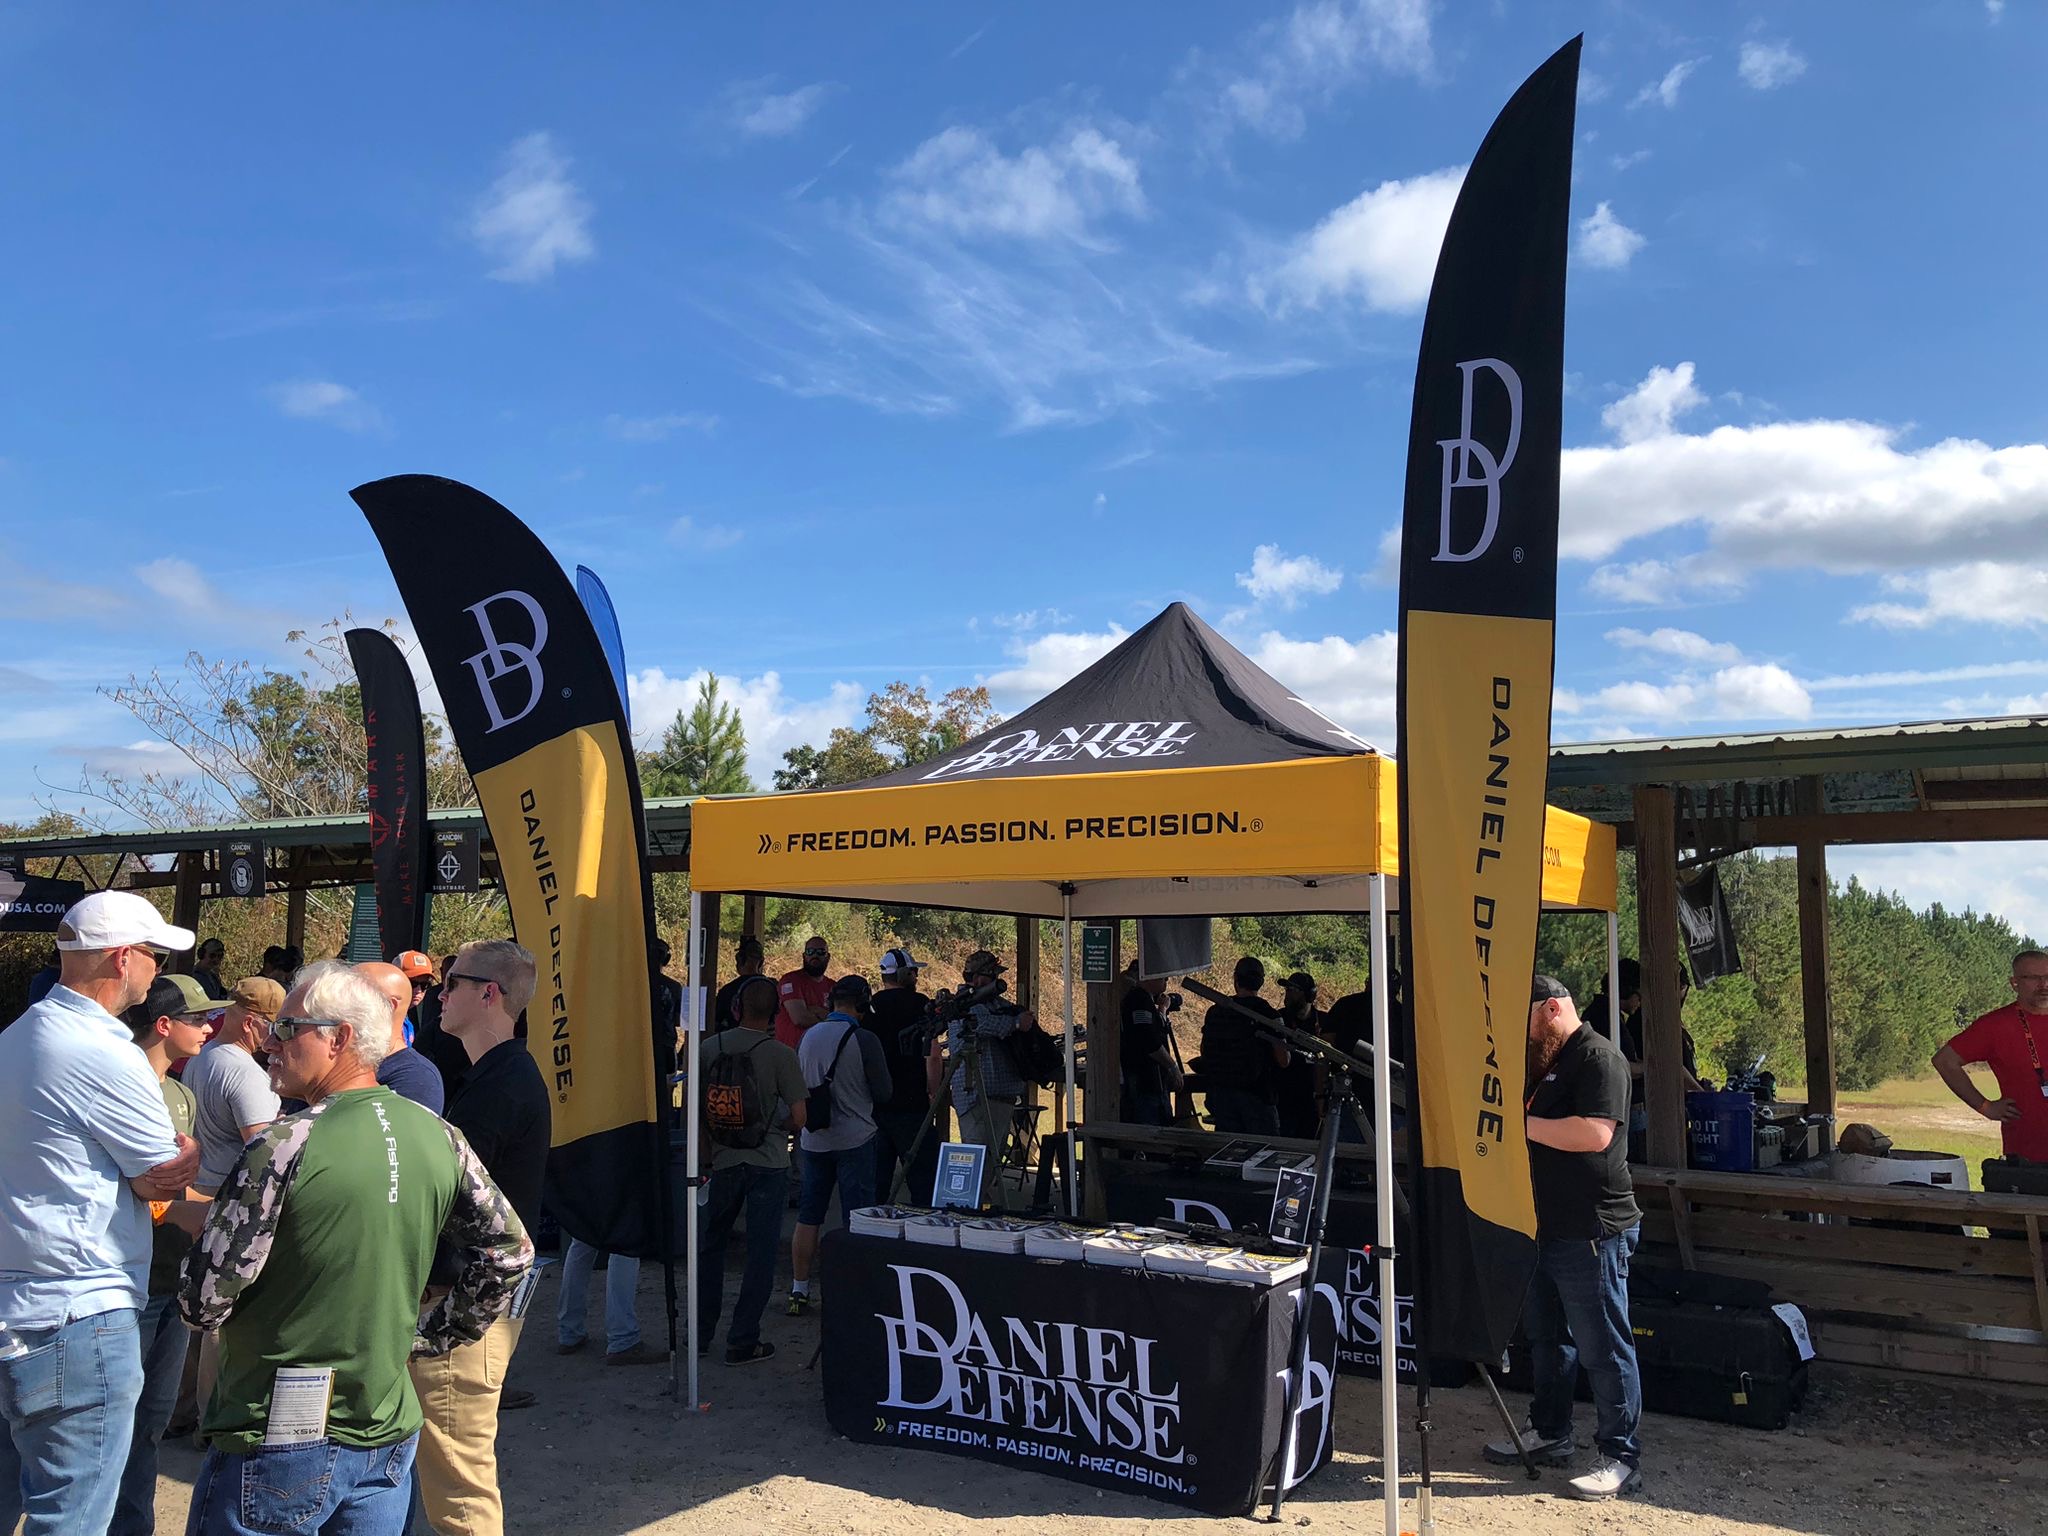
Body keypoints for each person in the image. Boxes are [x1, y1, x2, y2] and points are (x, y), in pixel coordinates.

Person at [178, 964, 531, 1536]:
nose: (270, 1043)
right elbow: (510, 1252)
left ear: (339, 1038)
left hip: (276, 1429)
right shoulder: (437, 1134)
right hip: (385, 1425)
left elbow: (203, 1300)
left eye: (288, 1028)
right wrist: (433, 1337)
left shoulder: (284, 1144)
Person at [0, 890, 201, 1536]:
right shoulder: (106, 1053)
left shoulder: (17, 1037)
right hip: (79, 1311)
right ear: (122, 959)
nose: (156, 969)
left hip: (20, 1301)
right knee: (75, 1517)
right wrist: (190, 1158)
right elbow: (157, 1177)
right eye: (153, 955)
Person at [409, 939, 552, 1536]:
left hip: (464, 1306)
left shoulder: (503, 1086)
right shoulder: (493, 1075)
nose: (439, 995)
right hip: (468, 1300)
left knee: (459, 1488)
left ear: (488, 993)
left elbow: (448, 1203)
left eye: (452, 983)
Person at [1486, 975, 1643, 1501]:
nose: (1525, 1035)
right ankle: (1551, 1432)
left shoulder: (1599, 1058)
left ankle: (1620, 1455)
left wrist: (1518, 1123)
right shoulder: (1549, 1060)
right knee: (1549, 1339)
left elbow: (1594, 1134)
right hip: (1546, 1227)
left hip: (1593, 1230)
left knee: (1604, 1345)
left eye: (1528, 1021)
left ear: (1552, 1009)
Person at [112, 973, 213, 1536]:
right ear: (165, 1024)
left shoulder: (182, 1095)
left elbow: (178, 1188)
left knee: (150, 1423)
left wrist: (228, 1209)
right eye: (198, 1019)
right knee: (110, 1426)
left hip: (172, 1281)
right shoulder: (113, 1081)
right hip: (122, 1285)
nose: (209, 1028)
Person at [699, 975, 808, 1363]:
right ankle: (742, 1339)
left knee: (711, 1248)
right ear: (776, 1013)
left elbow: (696, 1113)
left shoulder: (709, 1048)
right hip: (769, 1162)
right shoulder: (781, 1055)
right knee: (760, 1255)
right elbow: (800, 1116)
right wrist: (779, 1128)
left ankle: (701, 1332)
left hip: (723, 1160)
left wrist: (707, 1157)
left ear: (735, 1009)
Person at [788, 975, 892, 1316]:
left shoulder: (807, 1036)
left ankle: (799, 1288)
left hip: (814, 1139)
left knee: (809, 1216)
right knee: (857, 1218)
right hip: (855, 1138)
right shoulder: (864, 1039)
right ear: (861, 1005)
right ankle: (853, 1291)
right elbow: (884, 1092)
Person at [941, 949, 1039, 1203]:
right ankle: (966, 1207)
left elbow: (1006, 1015)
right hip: (976, 1095)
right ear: (978, 978)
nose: (996, 980)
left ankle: (979, 1205)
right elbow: (980, 1024)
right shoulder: (963, 1006)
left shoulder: (995, 1004)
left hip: (1000, 1095)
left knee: (992, 1160)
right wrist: (1014, 1023)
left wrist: (1018, 1018)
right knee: (975, 1160)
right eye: (992, 975)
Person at [1934, 947, 2048, 1164]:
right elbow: (1945, 1061)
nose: (2044, 985)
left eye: (2047, 977)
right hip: (2028, 1157)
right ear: (2014, 983)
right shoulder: (1996, 1025)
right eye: (2033, 978)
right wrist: (1985, 1106)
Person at [185, 977, 284, 1197]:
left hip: (198, 1188)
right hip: (230, 1197)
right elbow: (263, 1152)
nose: (278, 1036)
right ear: (249, 1024)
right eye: (275, 1026)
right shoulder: (246, 1073)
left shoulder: (200, 1055)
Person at [870, 947, 943, 1204]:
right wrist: (934, 1091)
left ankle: (873, 1224)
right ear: (904, 974)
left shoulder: (871, 1006)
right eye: (913, 971)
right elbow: (933, 1054)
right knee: (923, 1181)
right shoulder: (920, 1004)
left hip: (876, 1103)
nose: (916, 976)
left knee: (875, 1182)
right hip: (912, 1103)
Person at [1199, 956, 1287, 1134]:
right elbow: (1283, 1060)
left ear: (1236, 979)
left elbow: (1205, 1050)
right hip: (1257, 1096)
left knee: (1228, 1148)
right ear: (1261, 982)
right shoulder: (1269, 1015)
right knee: (1265, 1148)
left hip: (1221, 1095)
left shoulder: (1216, 1011)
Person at [358, 960, 447, 1114]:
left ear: (390, 1005)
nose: (418, 990)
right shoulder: (407, 1022)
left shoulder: (416, 1076)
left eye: (425, 985)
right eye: (413, 983)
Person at [1119, 970, 1184, 1129]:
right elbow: (1148, 1040)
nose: (1166, 981)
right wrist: (1172, 1067)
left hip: (1148, 1080)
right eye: (1163, 978)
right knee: (1152, 1130)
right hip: (1146, 1081)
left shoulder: (1142, 1000)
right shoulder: (1139, 1000)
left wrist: (1161, 1010)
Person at [1275, 971, 1323, 1139]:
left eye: (1292, 990)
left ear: (1309, 995)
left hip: (1312, 1099)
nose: (1287, 995)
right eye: (1286, 990)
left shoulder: (1323, 1022)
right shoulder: (1279, 1019)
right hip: (1284, 1097)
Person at [774, 934, 834, 1050]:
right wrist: (829, 1017)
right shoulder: (790, 980)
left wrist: (814, 1011)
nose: (815, 955)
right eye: (810, 951)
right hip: (790, 1052)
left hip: (820, 1051)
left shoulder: (833, 986)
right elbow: (800, 1019)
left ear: (828, 956)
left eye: (821, 952)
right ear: (804, 956)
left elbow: (841, 1019)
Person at [713, 934, 766, 1031]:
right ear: (761, 961)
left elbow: (715, 1020)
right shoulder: (772, 986)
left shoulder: (728, 990)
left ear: (739, 960)